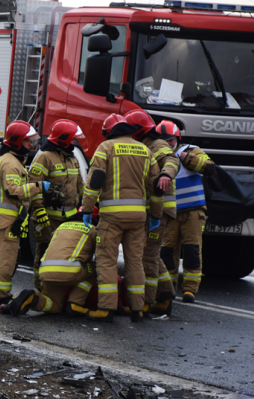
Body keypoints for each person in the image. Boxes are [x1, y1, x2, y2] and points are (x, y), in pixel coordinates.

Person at [81, 114, 163, 323]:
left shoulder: (106, 148)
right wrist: (155, 214)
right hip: (138, 217)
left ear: (109, 131)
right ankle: (137, 308)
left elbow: (95, 181)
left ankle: (106, 307)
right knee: (135, 262)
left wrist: (88, 209)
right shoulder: (145, 150)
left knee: (106, 260)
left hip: (112, 216)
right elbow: (155, 187)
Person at [0, 121, 42, 306]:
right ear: (16, 142)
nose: (31, 145)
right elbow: (13, 191)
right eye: (28, 141)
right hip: (7, 219)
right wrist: (38, 187)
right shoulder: (11, 163)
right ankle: (1, 294)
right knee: (6, 257)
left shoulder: (6, 159)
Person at [125, 110, 178, 315]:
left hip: (160, 211)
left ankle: (146, 302)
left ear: (138, 131)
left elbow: (172, 160)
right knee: (153, 255)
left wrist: (166, 174)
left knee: (147, 256)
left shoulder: (157, 145)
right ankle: (165, 296)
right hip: (156, 210)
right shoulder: (147, 145)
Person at [159, 120, 214, 305]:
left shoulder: (192, 150)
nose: (168, 143)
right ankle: (169, 288)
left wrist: (187, 158)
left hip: (193, 211)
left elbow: (210, 168)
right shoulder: (158, 156)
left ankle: (190, 289)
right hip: (170, 212)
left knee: (192, 250)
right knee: (167, 251)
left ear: (177, 138)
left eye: (170, 140)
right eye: (164, 140)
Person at [28, 119, 85, 291]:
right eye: (73, 139)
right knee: (44, 253)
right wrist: (39, 212)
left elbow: (80, 186)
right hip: (49, 218)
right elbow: (34, 187)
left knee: (64, 257)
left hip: (69, 220)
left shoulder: (72, 158)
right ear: (63, 139)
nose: (75, 143)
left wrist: (85, 207)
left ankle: (58, 291)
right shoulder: (44, 158)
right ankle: (41, 290)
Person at [9, 213, 96, 316]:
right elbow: (103, 255)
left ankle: (33, 297)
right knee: (95, 268)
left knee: (55, 306)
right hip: (69, 271)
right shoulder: (92, 229)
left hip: (46, 270)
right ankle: (75, 304)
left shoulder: (60, 227)